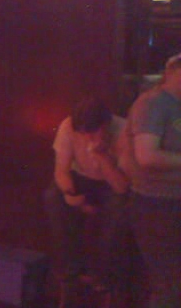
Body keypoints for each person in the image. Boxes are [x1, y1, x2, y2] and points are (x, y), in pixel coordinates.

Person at [120, 53, 181, 308]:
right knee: (171, 287)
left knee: (172, 287)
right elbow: (146, 156)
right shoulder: (154, 103)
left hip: (172, 204)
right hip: (155, 206)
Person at [43, 95, 130, 287]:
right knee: (53, 197)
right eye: (82, 133)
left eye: (92, 131)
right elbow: (61, 170)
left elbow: (121, 186)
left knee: (120, 207)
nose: (87, 138)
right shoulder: (68, 126)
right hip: (80, 178)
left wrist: (101, 155)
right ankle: (69, 265)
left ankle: (102, 272)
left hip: (110, 182)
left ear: (106, 123)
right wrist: (70, 194)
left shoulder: (123, 130)